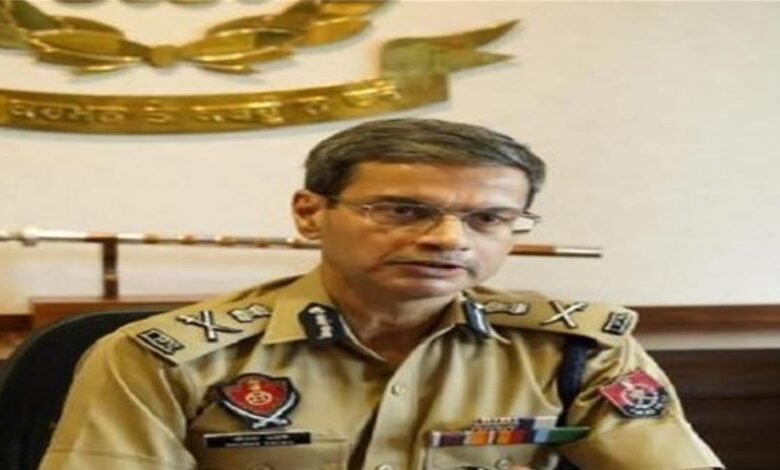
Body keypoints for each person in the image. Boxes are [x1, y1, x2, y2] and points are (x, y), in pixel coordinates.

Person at [39, 118, 722, 470]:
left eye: (489, 218)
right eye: (402, 210)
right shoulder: (163, 357)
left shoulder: (577, 351)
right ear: (310, 213)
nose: (448, 239)